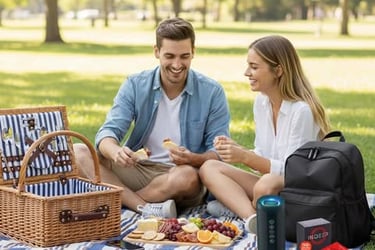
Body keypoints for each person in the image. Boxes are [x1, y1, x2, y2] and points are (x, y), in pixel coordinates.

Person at [73, 17, 230, 218]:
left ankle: (119, 203)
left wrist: (194, 158)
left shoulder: (212, 92)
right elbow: (108, 132)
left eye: (184, 56)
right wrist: (116, 152)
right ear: (156, 52)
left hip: (179, 174)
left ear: (193, 52)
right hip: (139, 168)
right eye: (170, 56)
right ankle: (144, 207)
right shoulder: (136, 84)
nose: (177, 64)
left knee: (187, 177)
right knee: (78, 152)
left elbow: (219, 151)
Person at [199, 35, 330, 234]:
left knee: (266, 184)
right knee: (209, 167)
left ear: (278, 70)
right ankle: (252, 217)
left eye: (254, 67)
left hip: (298, 189)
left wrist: (245, 157)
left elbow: (292, 171)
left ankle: (239, 207)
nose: (246, 73)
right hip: (268, 184)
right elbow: (263, 152)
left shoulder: (301, 111)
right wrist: (237, 150)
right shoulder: (261, 102)